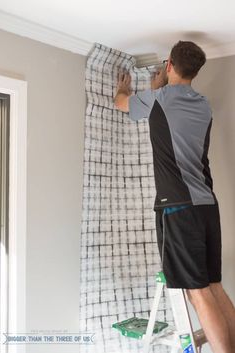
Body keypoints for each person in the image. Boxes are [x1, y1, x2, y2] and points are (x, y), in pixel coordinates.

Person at [113, 40, 235, 353]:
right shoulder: (203, 104)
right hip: (207, 205)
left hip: (178, 207)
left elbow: (121, 103)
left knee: (197, 292)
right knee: (214, 286)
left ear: (169, 65)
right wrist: (159, 86)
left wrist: (124, 87)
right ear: (195, 72)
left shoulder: (159, 98)